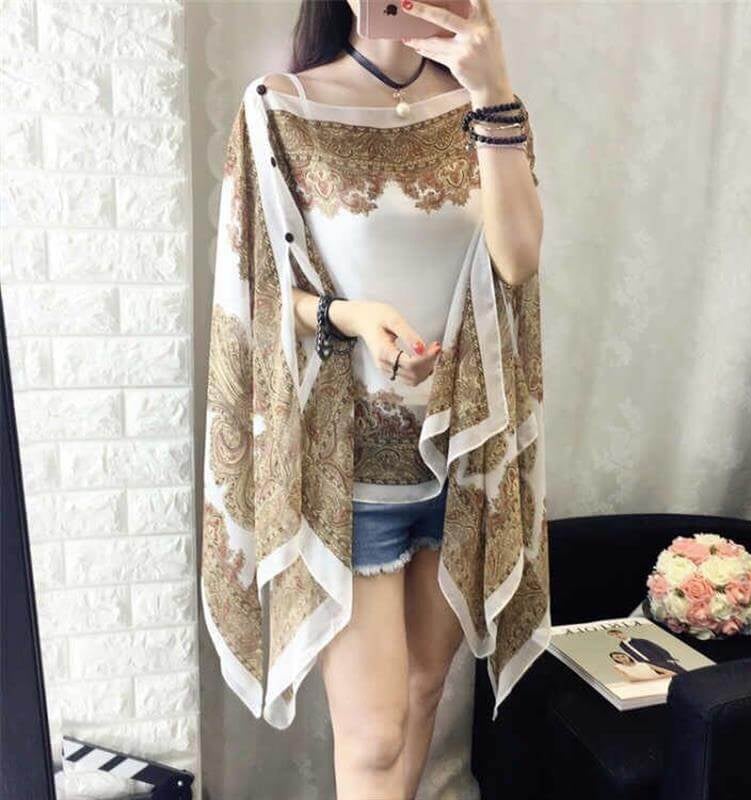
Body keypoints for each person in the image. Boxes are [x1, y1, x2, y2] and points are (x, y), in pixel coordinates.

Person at [201, 1, 547, 798]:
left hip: (463, 453)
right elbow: (258, 292)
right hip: (349, 468)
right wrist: (347, 316)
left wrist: (492, 89)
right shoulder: (280, 108)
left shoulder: (485, 105)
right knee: (374, 736)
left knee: (425, 693)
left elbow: (519, 260)